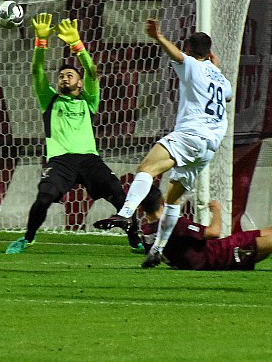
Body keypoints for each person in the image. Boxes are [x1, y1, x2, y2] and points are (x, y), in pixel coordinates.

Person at [94, 18, 232, 269]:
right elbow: (228, 97)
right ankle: (158, 249)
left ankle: (125, 214)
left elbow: (178, 57)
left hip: (190, 134)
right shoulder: (222, 79)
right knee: (172, 200)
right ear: (211, 53)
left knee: (146, 169)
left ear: (190, 49)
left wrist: (158, 37)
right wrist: (217, 68)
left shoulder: (191, 64)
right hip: (208, 147)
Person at [5, 13, 142, 254]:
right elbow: (37, 70)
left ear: (80, 84)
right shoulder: (50, 100)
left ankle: (135, 240)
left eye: (70, 76)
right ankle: (27, 238)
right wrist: (41, 42)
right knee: (43, 199)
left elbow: (92, 71)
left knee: (120, 196)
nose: (63, 78)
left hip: (89, 159)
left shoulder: (88, 102)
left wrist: (77, 46)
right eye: (61, 76)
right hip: (60, 160)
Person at [139, 186, 272, 271]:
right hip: (224, 257)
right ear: (163, 202)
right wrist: (216, 211)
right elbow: (213, 232)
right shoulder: (174, 223)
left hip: (222, 250)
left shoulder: (147, 233)